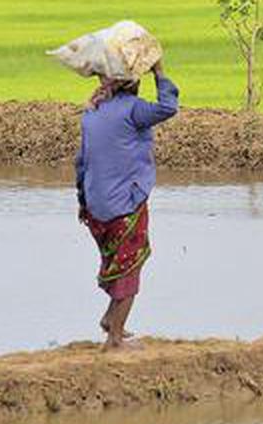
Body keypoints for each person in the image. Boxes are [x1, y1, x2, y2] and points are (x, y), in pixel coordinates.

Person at [76, 60, 179, 350]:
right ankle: (115, 339)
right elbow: (168, 108)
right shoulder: (133, 109)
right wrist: (160, 71)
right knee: (130, 265)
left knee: (118, 260)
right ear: (131, 82)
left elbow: (81, 163)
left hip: (96, 204)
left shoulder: (91, 113)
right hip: (124, 203)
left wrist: (83, 201)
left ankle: (111, 318)